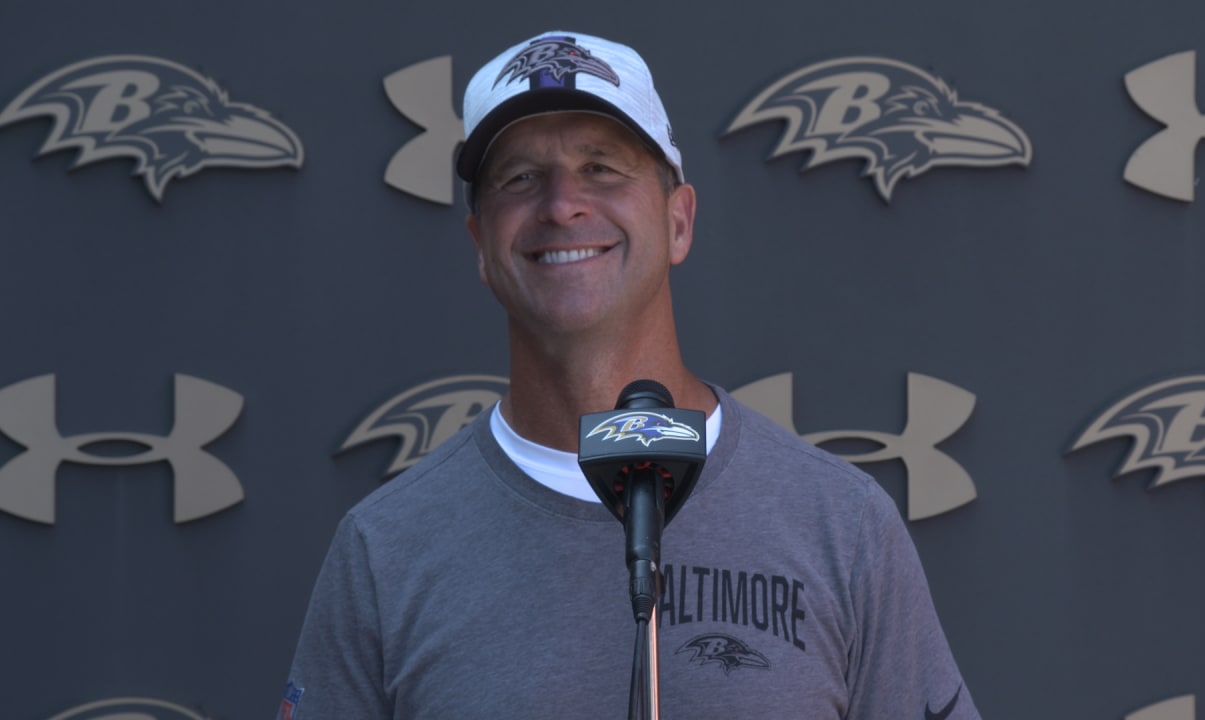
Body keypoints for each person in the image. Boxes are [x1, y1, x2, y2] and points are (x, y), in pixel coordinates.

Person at [280, 30, 981, 719]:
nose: (561, 205)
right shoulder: (386, 550)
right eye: (520, 178)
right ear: (481, 247)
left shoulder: (840, 523)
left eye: (602, 168)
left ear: (679, 222)